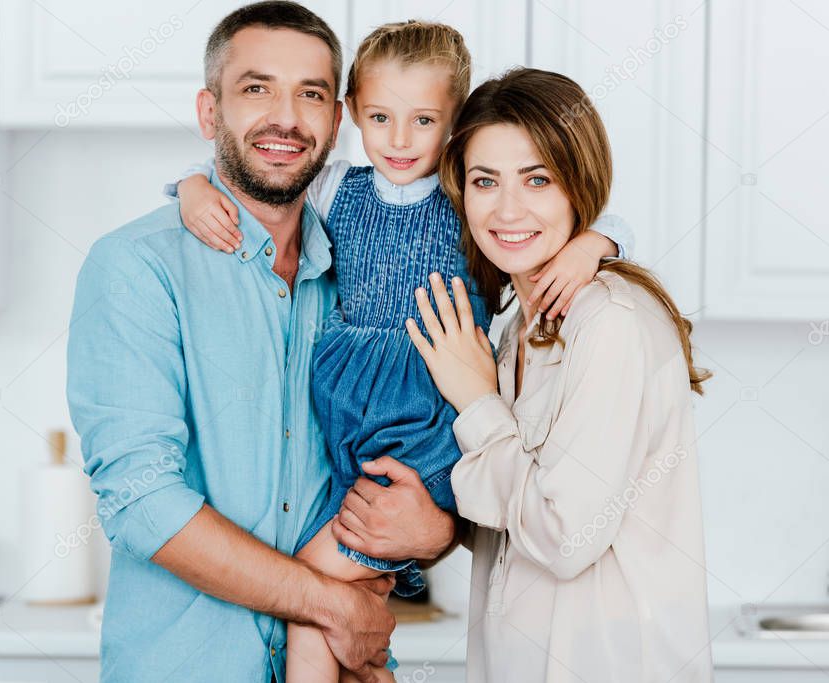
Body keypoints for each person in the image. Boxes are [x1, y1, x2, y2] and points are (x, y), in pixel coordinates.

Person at [168, 21, 634, 683]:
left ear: (453, 122)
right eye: (380, 116)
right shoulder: (335, 187)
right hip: (348, 416)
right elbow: (235, 176)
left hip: (427, 420)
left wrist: (596, 244)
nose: (397, 138)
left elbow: (591, 217)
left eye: (423, 120)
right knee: (351, 607)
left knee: (315, 594)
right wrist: (190, 186)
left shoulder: (466, 192)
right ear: (350, 111)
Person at [66, 4, 457, 682]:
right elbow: (141, 500)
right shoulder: (136, 266)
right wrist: (329, 602)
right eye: (256, 88)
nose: (285, 116)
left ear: (338, 120)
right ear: (209, 111)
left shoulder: (361, 279)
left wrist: (440, 533)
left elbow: (436, 447)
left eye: (309, 94)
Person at [399, 67, 715, 681]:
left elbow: (567, 536)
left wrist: (476, 402)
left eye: (537, 179)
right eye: (485, 181)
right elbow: (519, 522)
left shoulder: (610, 322)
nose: (508, 208)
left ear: (579, 186)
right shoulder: (517, 326)